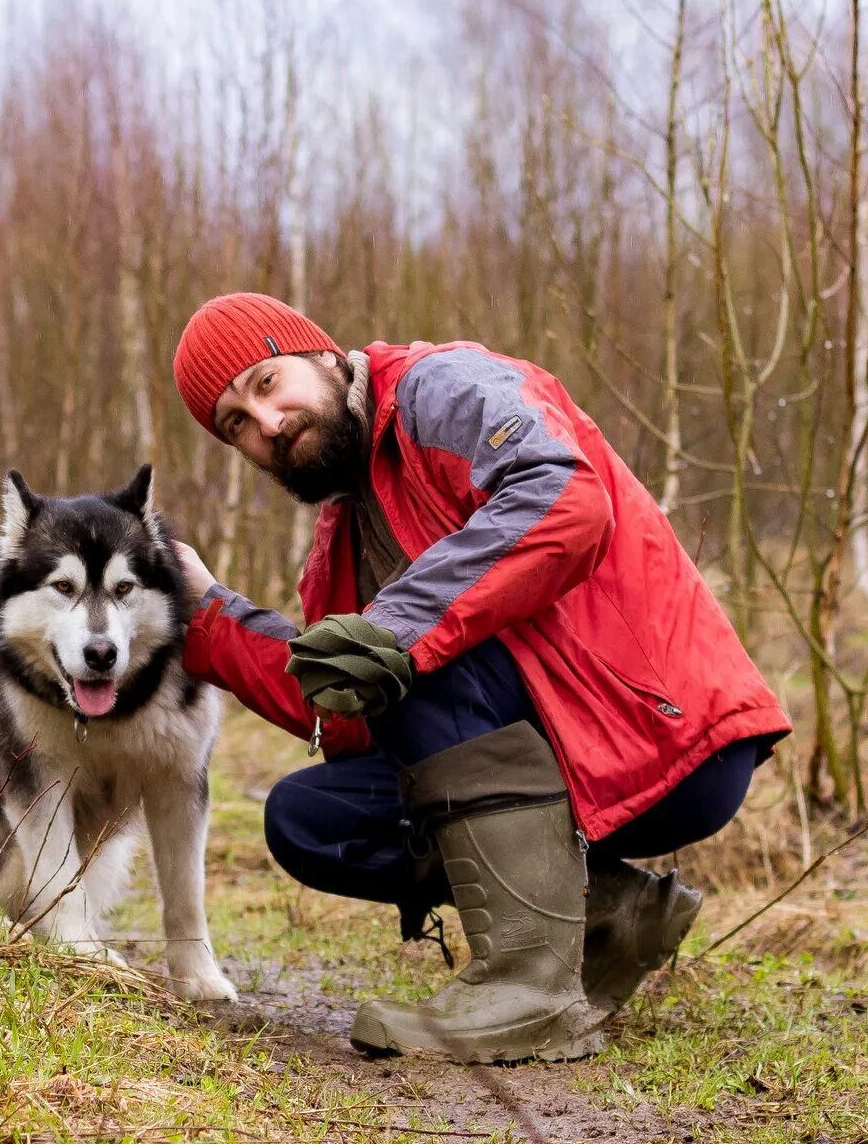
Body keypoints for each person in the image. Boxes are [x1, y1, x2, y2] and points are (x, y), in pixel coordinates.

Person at [168, 292, 790, 1064]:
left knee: (418, 658)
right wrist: (208, 613)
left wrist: (397, 632)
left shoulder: (443, 390)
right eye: (236, 426)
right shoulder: (341, 539)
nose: (267, 425)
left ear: (321, 353)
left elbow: (565, 497)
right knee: (309, 817)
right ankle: (610, 916)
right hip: (559, 763)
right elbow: (353, 712)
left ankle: (528, 987)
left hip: (653, 734)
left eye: (266, 384)